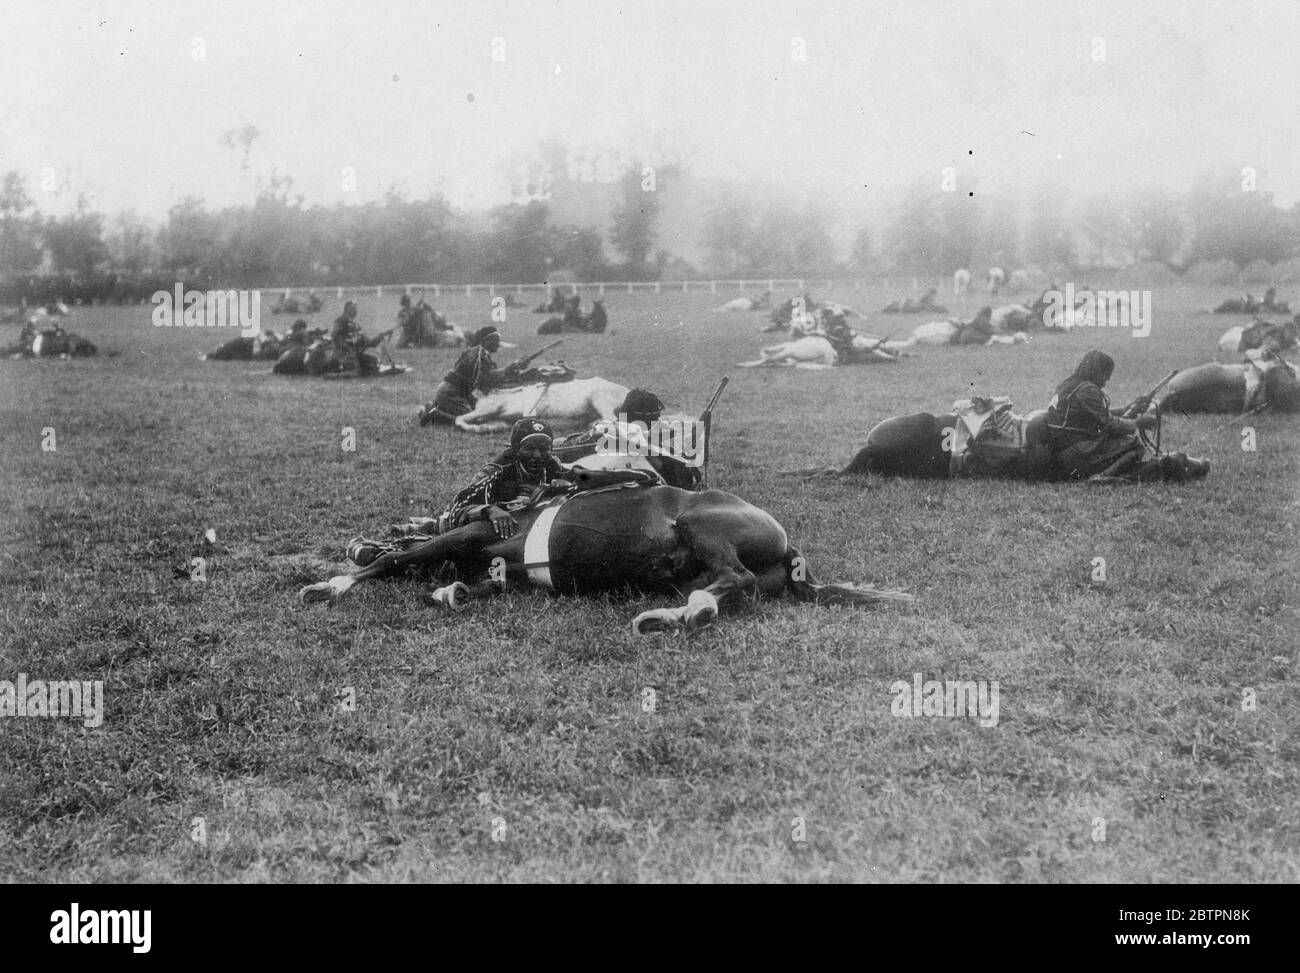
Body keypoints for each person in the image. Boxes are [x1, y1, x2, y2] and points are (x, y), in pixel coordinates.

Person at [347, 417, 573, 567]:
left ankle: (426, 525)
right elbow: (458, 507)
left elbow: (582, 477)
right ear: (516, 451)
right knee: (444, 547)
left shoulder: (552, 466)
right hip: (472, 524)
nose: (537, 455)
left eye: (544, 448)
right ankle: (384, 548)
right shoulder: (497, 472)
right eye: (529, 449)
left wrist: (567, 481)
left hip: (516, 529)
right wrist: (490, 510)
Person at [1045, 350, 1157, 482]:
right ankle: (1103, 476)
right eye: (1105, 377)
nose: (1105, 383)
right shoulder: (1087, 389)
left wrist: (1125, 409)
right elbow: (1110, 424)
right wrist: (1137, 423)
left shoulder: (1067, 384)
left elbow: (1093, 414)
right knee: (1136, 445)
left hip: (1063, 451)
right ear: (1097, 371)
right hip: (1076, 452)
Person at [417, 326, 515, 425]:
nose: (498, 344)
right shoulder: (478, 355)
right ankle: (435, 413)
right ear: (486, 340)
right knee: (474, 419)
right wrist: (508, 370)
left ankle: (434, 408)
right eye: (495, 340)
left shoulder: (478, 352)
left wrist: (509, 371)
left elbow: (488, 377)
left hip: (456, 392)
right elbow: (485, 380)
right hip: (452, 393)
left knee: (483, 411)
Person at [330, 300, 386, 374]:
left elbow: (370, 343)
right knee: (357, 370)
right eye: (353, 309)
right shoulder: (339, 321)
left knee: (375, 363)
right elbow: (335, 337)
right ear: (347, 310)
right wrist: (348, 348)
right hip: (342, 357)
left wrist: (379, 337)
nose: (355, 312)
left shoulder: (356, 325)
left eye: (356, 309)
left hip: (355, 356)